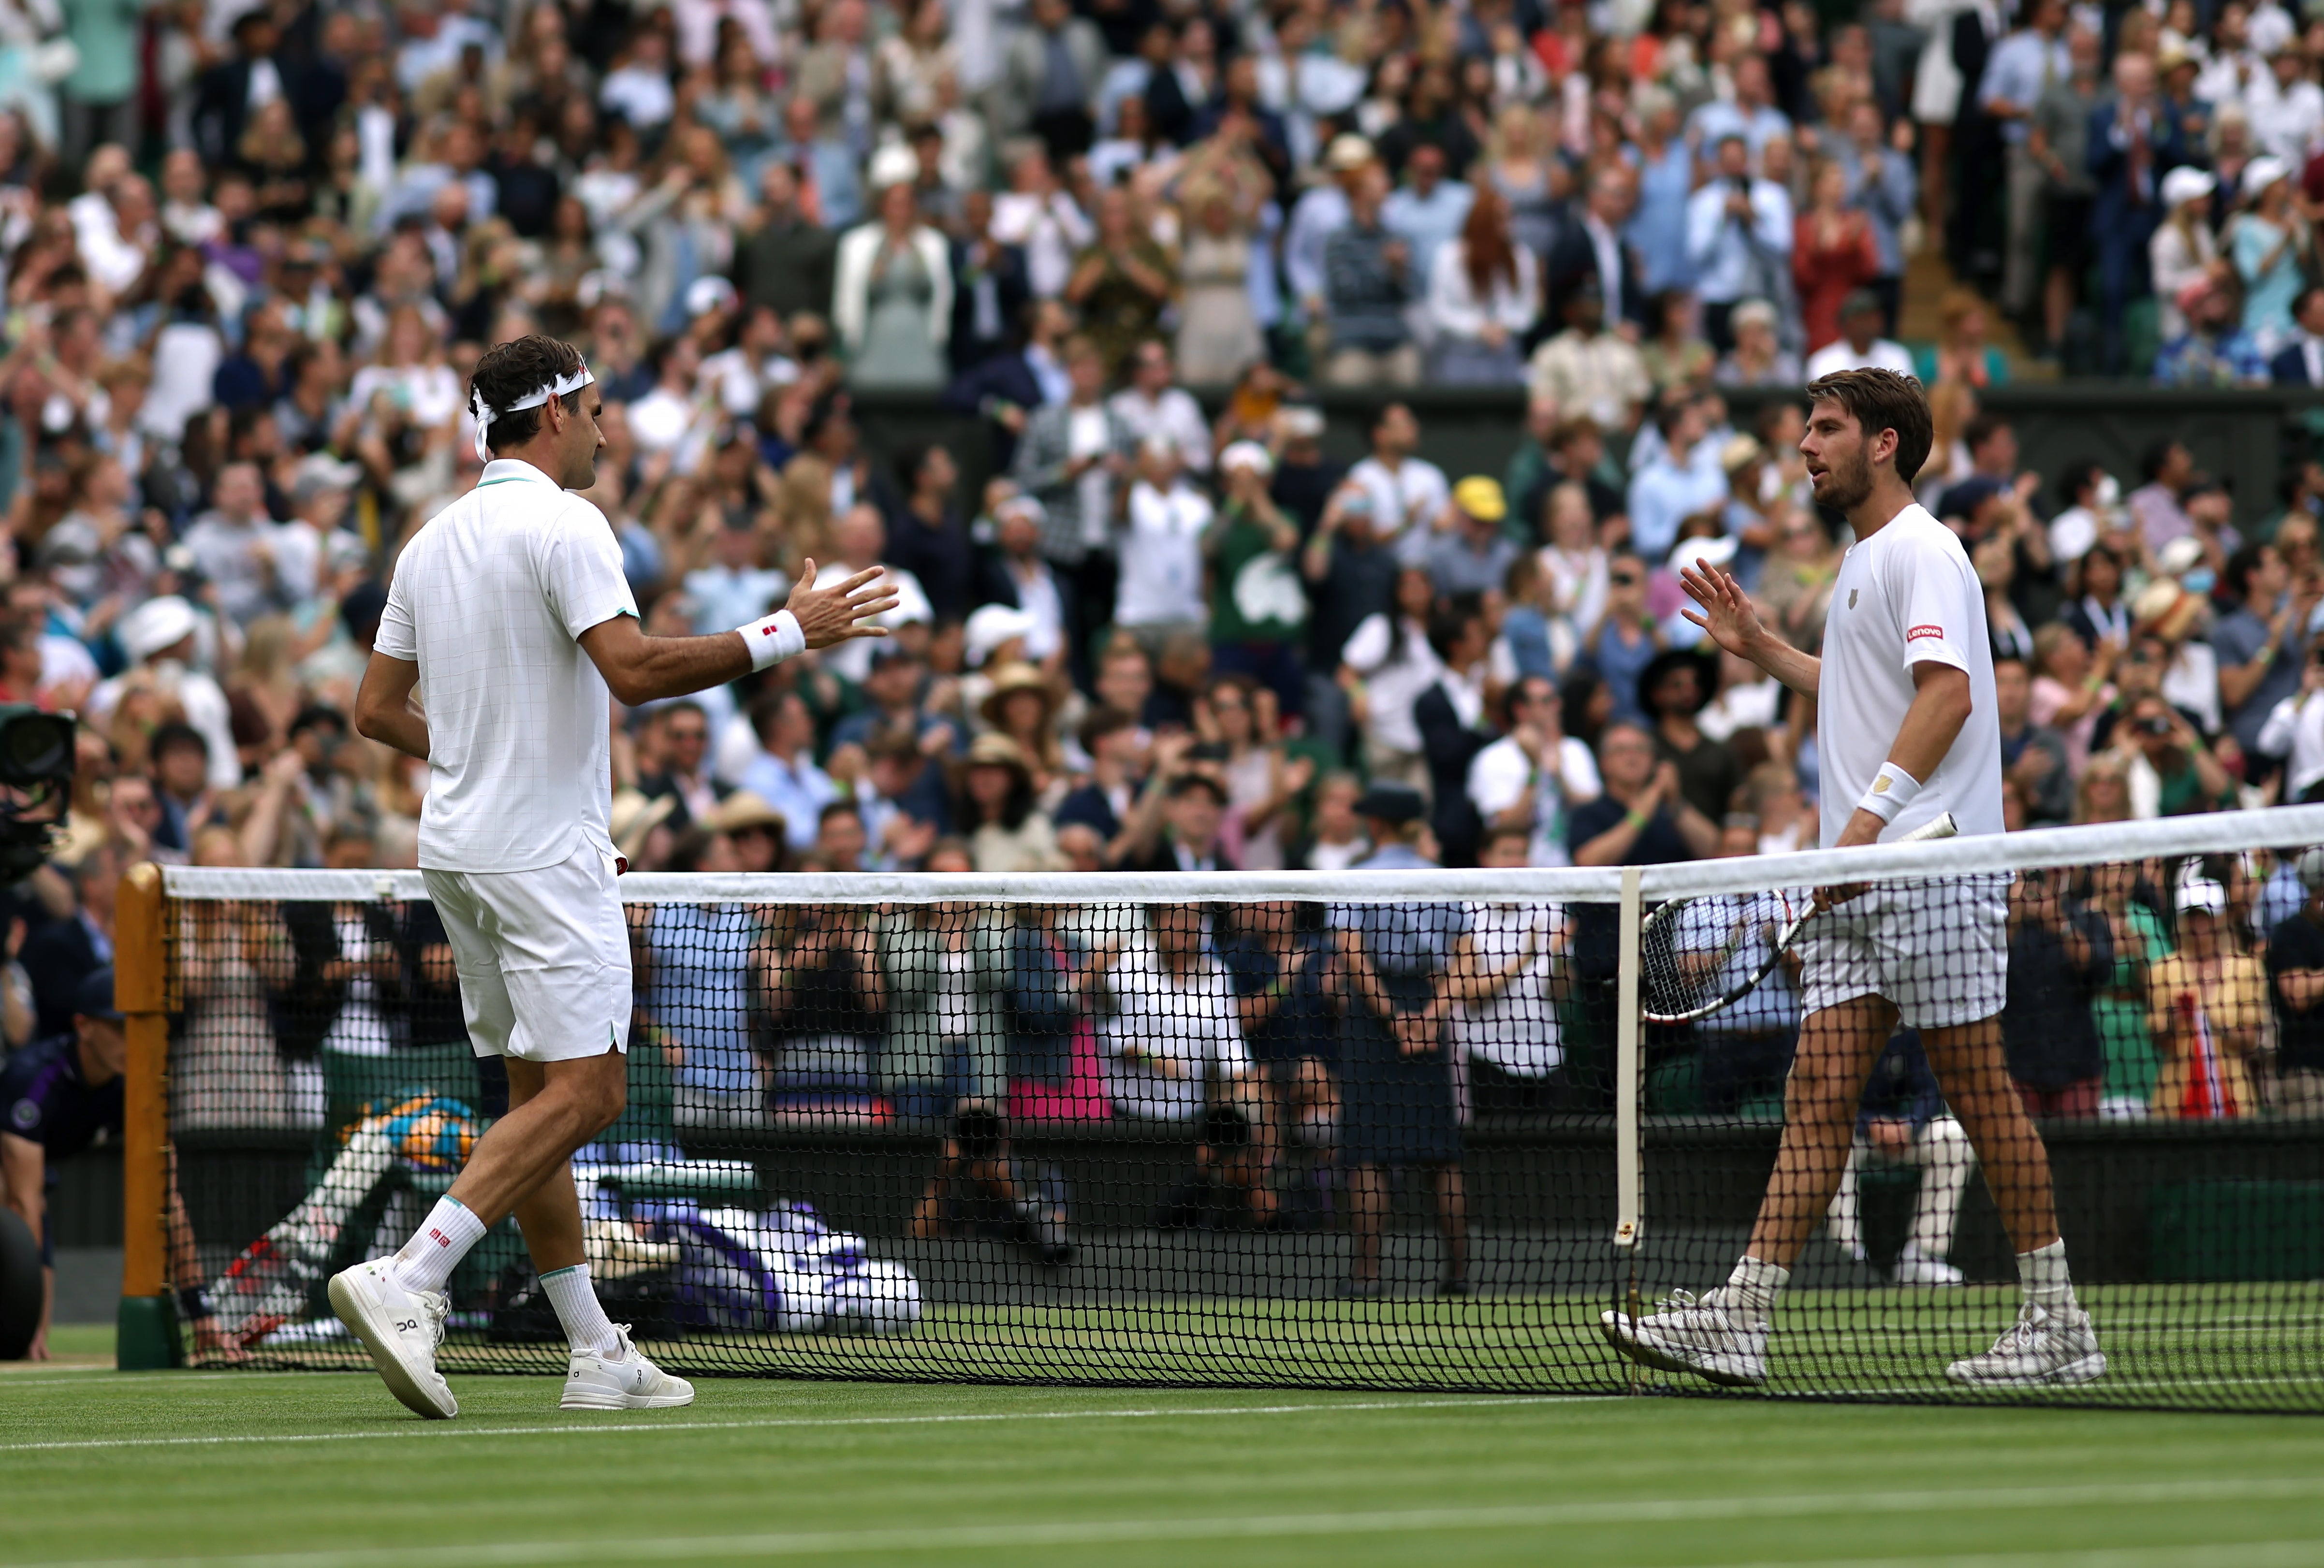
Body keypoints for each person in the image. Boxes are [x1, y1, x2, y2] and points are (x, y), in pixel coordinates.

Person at [331, 335, 894, 1420]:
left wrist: (502, 777)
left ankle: (594, 1346)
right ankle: (411, 1278)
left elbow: (375, 710)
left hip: (462, 850)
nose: (605, 426)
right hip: (538, 855)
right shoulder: (570, 522)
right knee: (590, 1091)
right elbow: (632, 672)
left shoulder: (429, 542)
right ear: (550, 417)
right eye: (593, 409)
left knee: (536, 1094)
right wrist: (788, 631)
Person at [1627, 367, 2102, 1389]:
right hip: (1862, 873)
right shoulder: (1863, 564)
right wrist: (1763, 649)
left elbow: (1947, 700)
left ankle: (2059, 1320)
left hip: (1924, 869)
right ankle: (1742, 1318)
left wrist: (1858, 828)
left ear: (1883, 443)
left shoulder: (1925, 550)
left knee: (1978, 1092)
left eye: (1826, 427)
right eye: (1807, 427)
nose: (1805, 444)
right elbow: (1863, 684)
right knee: (1818, 1097)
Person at [1, 969, 234, 1362]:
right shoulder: (34, 1080)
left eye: (137, 1027)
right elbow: (24, 1204)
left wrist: (201, 1314)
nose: (130, 1040)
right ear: (84, 1026)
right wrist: (26, 1322)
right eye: (117, 1027)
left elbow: (167, 1199)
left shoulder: (137, 1087)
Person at [1331, 784, 1471, 1296]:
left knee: (1366, 1152)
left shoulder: (1358, 877)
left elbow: (1349, 952)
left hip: (1373, 1018)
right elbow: (1465, 960)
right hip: (1425, 1005)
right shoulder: (1441, 880)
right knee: (1440, 1152)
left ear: (1376, 824)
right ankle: (1458, 1276)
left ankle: (1367, 1276)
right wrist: (1429, 1018)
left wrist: (1392, 1017)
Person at [1823, 1031, 1978, 1286]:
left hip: (1902, 1134)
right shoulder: (1839, 1028)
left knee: (1954, 1137)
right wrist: (1868, 1124)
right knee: (1831, 1139)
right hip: (1854, 1131)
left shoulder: (1912, 1031)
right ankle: (1847, 1257)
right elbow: (1830, 1096)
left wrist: (1909, 1126)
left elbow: (1930, 1090)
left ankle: (1922, 1257)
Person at [2002, 868, 2114, 1118]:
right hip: (2019, 1063)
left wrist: (2059, 922)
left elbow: (2097, 970)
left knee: (2079, 1152)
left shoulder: (2086, 918)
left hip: (2076, 1063)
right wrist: (2014, 916)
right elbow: (1989, 973)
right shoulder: (2006, 926)